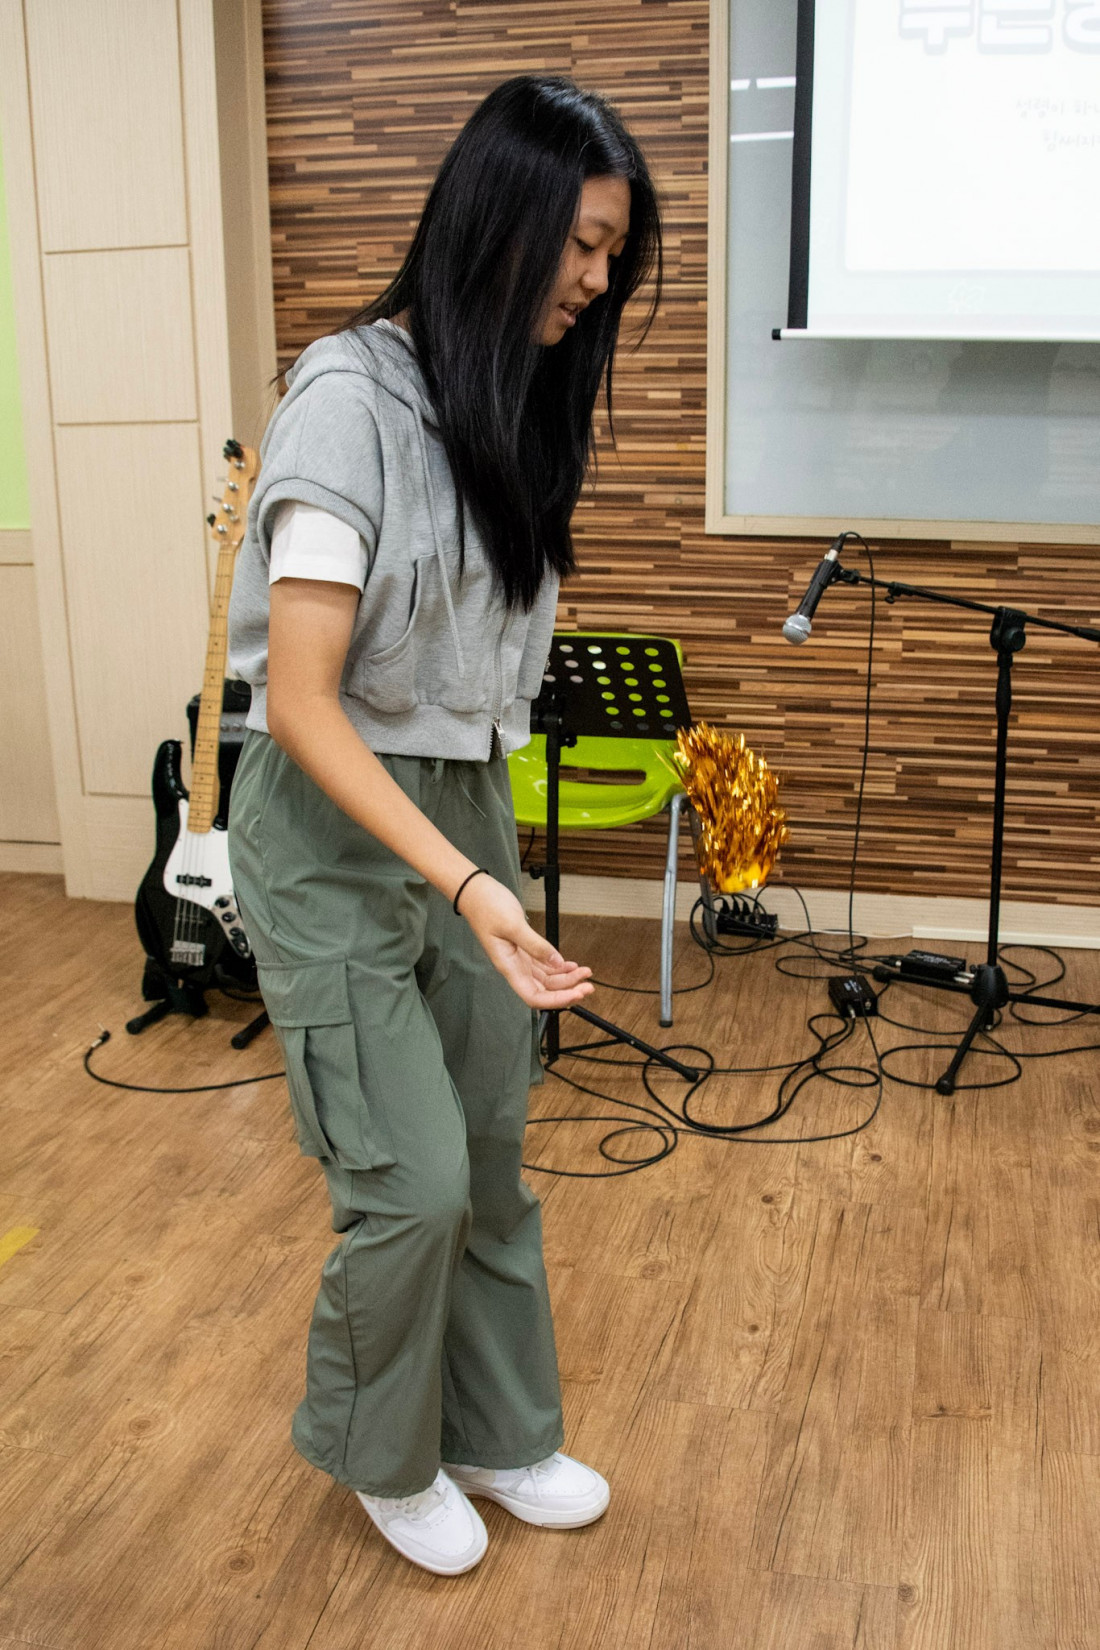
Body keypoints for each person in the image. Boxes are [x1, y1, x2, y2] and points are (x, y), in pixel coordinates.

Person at [226, 73, 663, 1577]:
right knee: (409, 1181)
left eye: (612, 255)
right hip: (331, 821)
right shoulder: (345, 402)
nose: (596, 281)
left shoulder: (510, 406)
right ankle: (381, 1449)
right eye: (584, 244)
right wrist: (471, 883)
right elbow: (301, 701)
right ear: (505, 216)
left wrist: (480, 858)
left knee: (485, 1147)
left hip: (465, 803)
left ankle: (496, 1425)